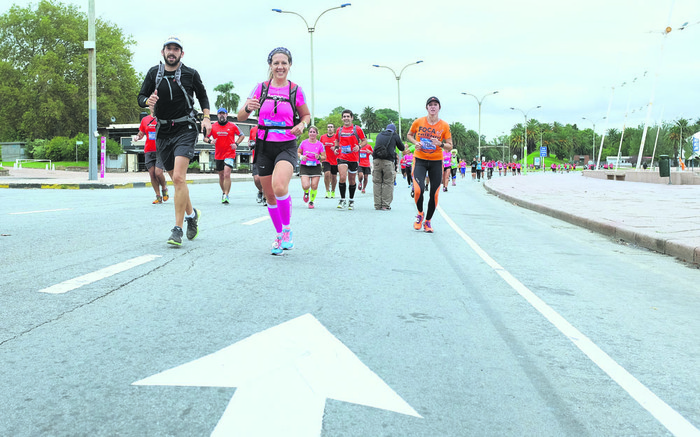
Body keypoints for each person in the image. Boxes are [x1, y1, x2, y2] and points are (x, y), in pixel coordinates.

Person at [237, 47, 310, 255]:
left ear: (289, 66)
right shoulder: (260, 88)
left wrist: (302, 126)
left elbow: (306, 115)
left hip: (286, 144)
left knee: (279, 187)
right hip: (264, 145)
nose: (280, 67)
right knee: (269, 195)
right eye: (276, 63)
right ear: (270, 65)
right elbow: (241, 117)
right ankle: (279, 235)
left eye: (284, 63)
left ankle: (287, 231)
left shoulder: (295, 90)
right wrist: (249, 107)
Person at [138, 35, 208, 246]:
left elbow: (203, 96)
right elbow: (140, 96)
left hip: (185, 128)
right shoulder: (154, 73)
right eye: (168, 49)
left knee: (178, 177)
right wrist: (146, 101)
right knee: (177, 180)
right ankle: (192, 215)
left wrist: (206, 118)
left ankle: (177, 229)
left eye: (176, 49)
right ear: (163, 52)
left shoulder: (190, 73)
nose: (172, 52)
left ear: (181, 53)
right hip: (163, 131)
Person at [406, 96, 452, 233]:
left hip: (436, 162)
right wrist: (416, 143)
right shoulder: (418, 122)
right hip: (420, 160)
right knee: (419, 189)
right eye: (430, 104)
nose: (433, 107)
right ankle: (420, 214)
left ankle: (428, 222)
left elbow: (450, 146)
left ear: (439, 108)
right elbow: (409, 135)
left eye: (435, 104)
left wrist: (441, 144)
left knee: (434, 194)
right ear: (427, 107)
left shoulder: (444, 125)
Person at [205, 107, 244, 204]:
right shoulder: (213, 126)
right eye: (220, 114)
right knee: (221, 175)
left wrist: (236, 144)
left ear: (226, 115)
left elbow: (242, 135)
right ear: (218, 115)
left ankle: (226, 194)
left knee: (227, 173)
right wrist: (211, 141)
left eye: (224, 113)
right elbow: (205, 137)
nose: (222, 115)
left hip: (229, 153)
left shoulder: (232, 126)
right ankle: (223, 192)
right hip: (219, 154)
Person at [133, 109, 169, 204]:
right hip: (149, 150)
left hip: (160, 150)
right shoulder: (145, 120)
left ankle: (164, 189)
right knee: (152, 174)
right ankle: (158, 196)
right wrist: (137, 137)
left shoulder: (163, 118)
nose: (153, 106)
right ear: (149, 107)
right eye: (151, 105)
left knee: (158, 172)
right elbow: (141, 133)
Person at [333, 109, 367, 210]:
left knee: (352, 180)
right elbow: (336, 140)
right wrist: (336, 148)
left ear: (352, 118)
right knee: (342, 177)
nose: (346, 118)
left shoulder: (357, 129)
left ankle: (351, 200)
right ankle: (342, 199)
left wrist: (359, 146)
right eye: (344, 116)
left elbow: (364, 141)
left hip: (354, 157)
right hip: (342, 157)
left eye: (348, 116)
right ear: (342, 118)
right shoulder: (339, 130)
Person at [372, 123, 404, 210]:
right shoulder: (395, 135)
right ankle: (385, 205)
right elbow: (402, 148)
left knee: (377, 182)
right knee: (388, 183)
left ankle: (377, 204)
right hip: (388, 161)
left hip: (376, 160)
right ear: (394, 130)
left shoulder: (379, 135)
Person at [297, 126, 325, 209]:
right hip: (305, 166)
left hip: (315, 166)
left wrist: (319, 157)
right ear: (308, 133)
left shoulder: (320, 144)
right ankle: (306, 192)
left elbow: (324, 157)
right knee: (306, 185)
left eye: (314, 132)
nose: (312, 134)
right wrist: (302, 157)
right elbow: (298, 153)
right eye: (310, 132)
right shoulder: (303, 143)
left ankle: (311, 201)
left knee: (314, 185)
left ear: (316, 134)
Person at [249, 125, 266, 205]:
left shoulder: (269, 128)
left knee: (266, 178)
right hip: (256, 157)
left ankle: (266, 197)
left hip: (267, 157)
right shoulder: (253, 129)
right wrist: (250, 144)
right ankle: (261, 191)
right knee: (256, 179)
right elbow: (250, 141)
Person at [320, 123, 338, 198]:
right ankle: (327, 191)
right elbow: (319, 147)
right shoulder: (322, 137)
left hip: (335, 160)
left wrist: (336, 148)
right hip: (326, 159)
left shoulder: (336, 137)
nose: (330, 128)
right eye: (328, 127)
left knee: (334, 177)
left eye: (331, 127)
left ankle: (333, 191)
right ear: (327, 129)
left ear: (334, 129)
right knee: (327, 174)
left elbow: (341, 146)